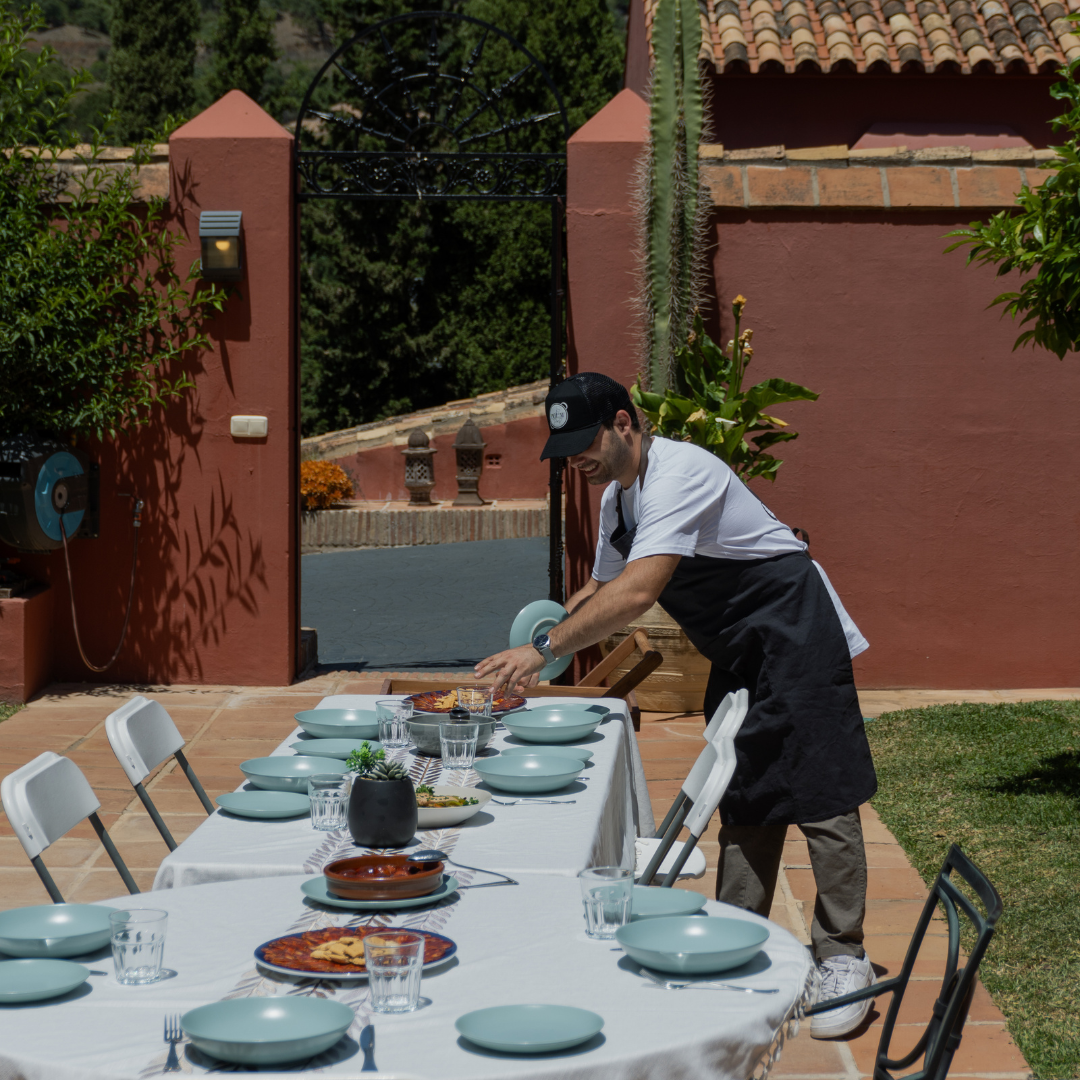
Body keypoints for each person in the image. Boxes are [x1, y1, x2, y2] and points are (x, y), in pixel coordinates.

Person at [475, 372, 878, 1039]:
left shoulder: (681, 474)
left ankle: (843, 957)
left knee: (824, 792)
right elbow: (599, 592)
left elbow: (637, 594)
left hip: (794, 629)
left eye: (586, 440)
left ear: (626, 424)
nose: (577, 458)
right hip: (741, 649)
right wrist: (529, 651)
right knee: (746, 792)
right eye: (567, 447)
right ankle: (736, 939)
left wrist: (543, 649)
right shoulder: (617, 503)